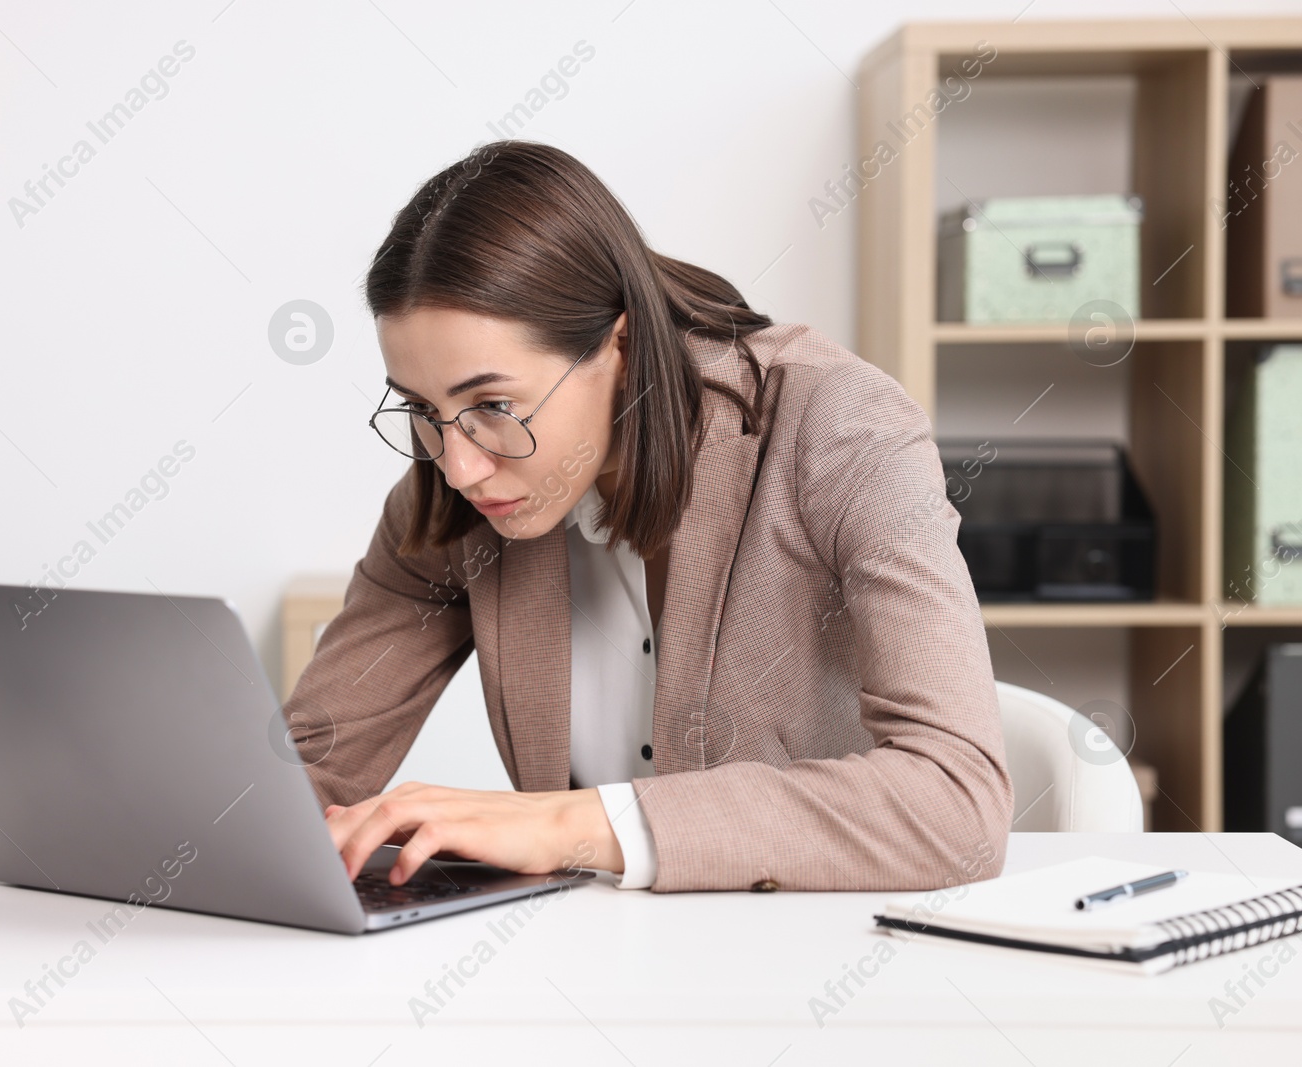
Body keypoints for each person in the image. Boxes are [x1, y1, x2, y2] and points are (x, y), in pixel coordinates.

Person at [283, 140, 1013, 894]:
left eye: (494, 406)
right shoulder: (453, 495)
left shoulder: (837, 425)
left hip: (820, 955)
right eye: (423, 410)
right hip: (594, 965)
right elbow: (303, 773)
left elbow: (955, 802)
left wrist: (570, 824)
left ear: (621, 345)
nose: (458, 465)